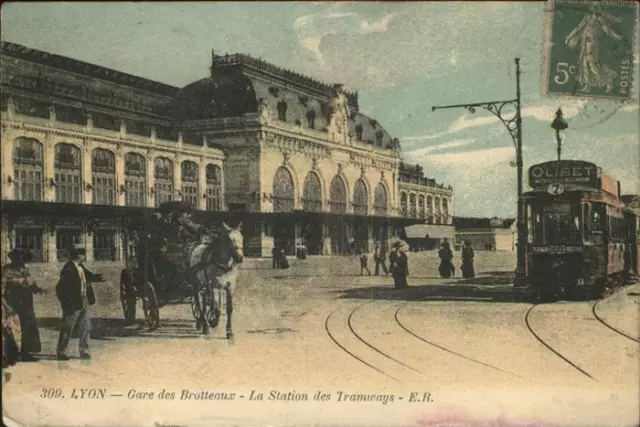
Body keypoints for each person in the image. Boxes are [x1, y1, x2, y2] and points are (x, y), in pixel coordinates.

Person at [55, 244, 103, 361]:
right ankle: (62, 351)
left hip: (84, 300)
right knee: (68, 327)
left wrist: (98, 277)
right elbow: (60, 288)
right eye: (82, 253)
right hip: (73, 303)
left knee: (85, 327)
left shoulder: (80, 266)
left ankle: (84, 351)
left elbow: (88, 276)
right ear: (77, 255)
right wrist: (67, 303)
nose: (84, 255)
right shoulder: (69, 268)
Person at [2, 249, 45, 362]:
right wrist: (6, 306)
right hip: (12, 303)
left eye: (23, 258)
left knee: (28, 327)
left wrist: (37, 289)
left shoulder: (25, 270)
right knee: (11, 328)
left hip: (26, 303)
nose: (22, 261)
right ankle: (12, 354)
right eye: (19, 258)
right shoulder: (6, 270)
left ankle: (26, 353)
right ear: (14, 259)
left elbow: (30, 283)